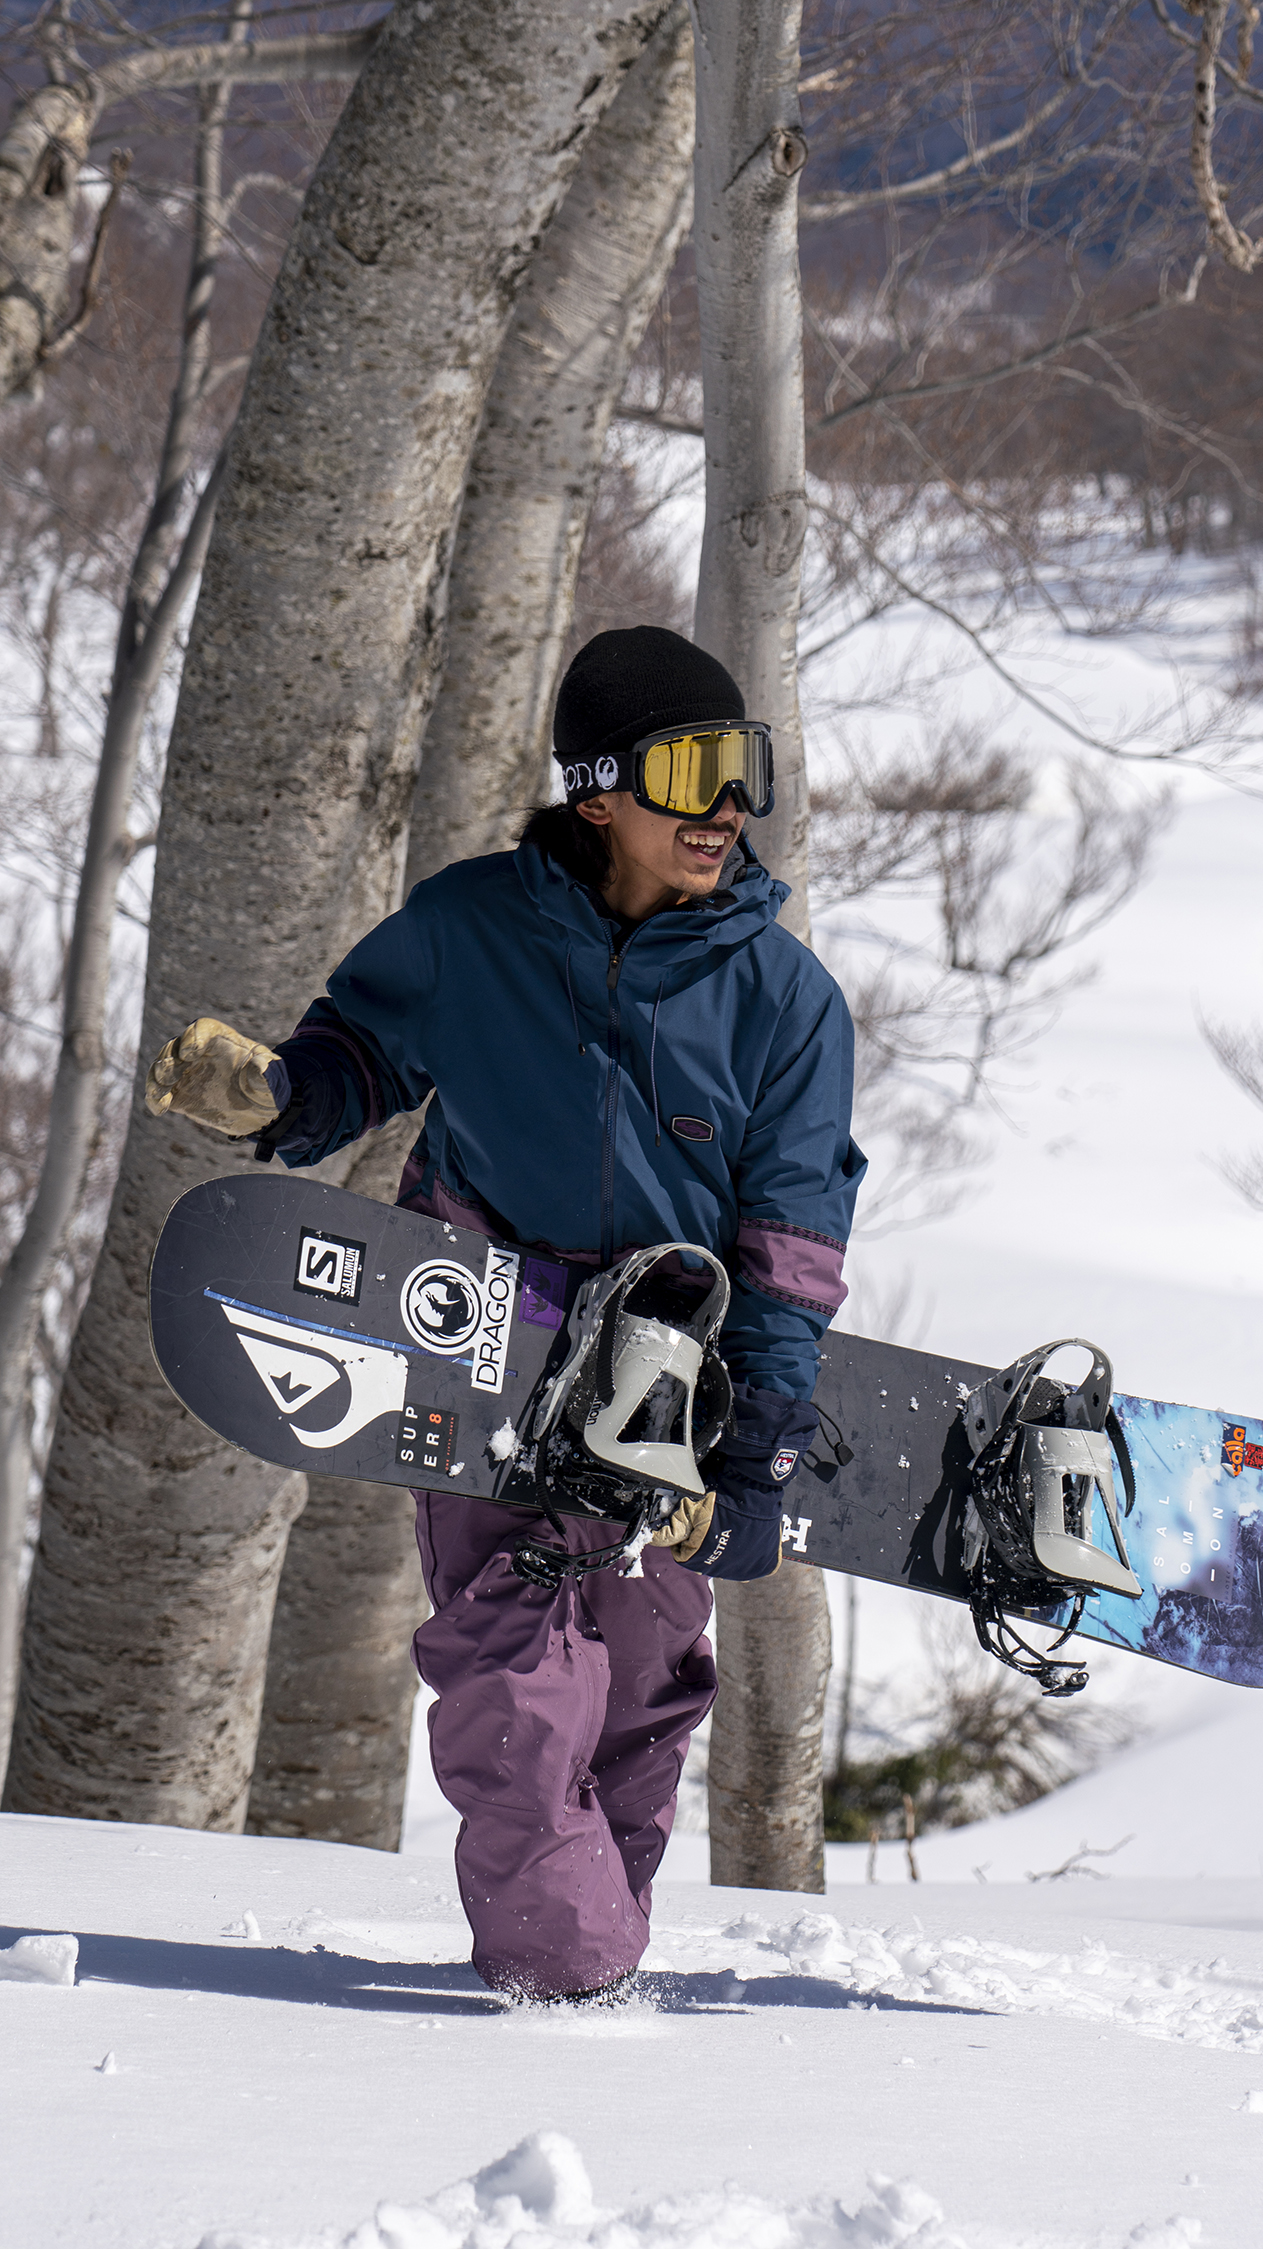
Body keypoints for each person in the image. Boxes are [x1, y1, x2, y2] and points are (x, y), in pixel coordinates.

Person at [146, 625, 866, 2003]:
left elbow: (790, 1248)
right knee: (517, 1683)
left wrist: (760, 1442)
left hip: (668, 1388)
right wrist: (275, 1096)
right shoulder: (473, 928)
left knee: (646, 1694)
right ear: (598, 790)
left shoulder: (785, 1003)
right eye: (691, 772)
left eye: (743, 773)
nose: (727, 808)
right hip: (489, 1347)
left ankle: (589, 1966)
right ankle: (570, 1977)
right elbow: (361, 1050)